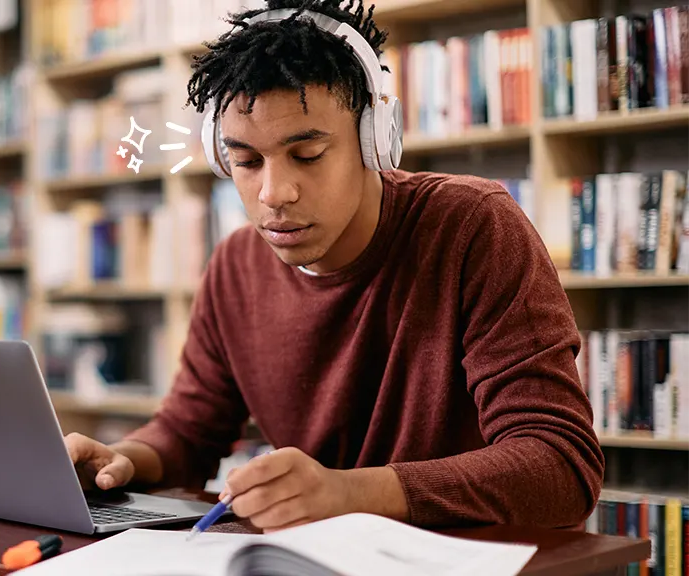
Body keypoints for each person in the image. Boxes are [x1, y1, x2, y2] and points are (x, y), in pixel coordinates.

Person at [64, 0, 604, 533]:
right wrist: (124, 460)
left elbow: (560, 465)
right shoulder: (235, 265)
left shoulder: (473, 227)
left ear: (374, 139)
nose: (274, 194)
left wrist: (348, 493)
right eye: (247, 162)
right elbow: (188, 431)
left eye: (308, 155)